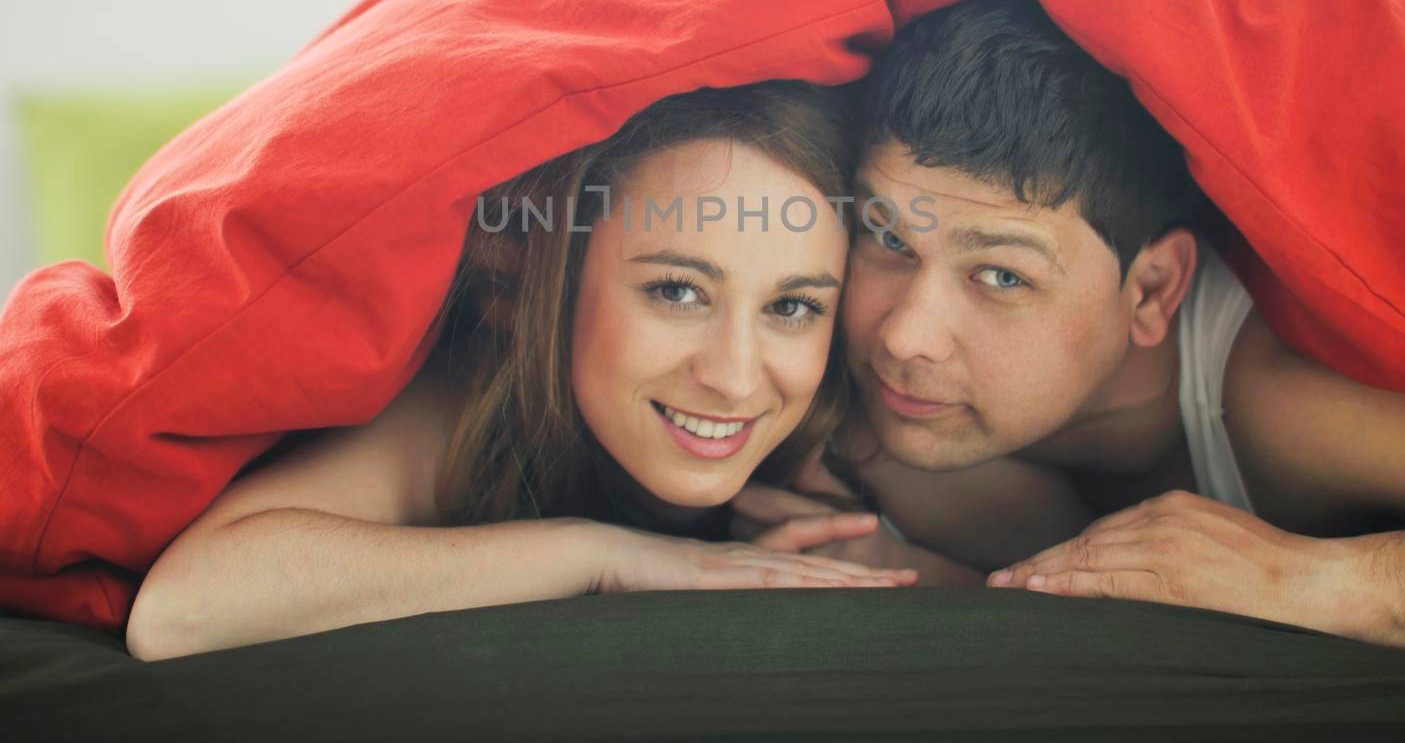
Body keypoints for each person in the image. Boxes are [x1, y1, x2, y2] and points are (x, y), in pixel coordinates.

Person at [734, 0, 1405, 664]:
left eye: (1002, 274)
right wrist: (930, 576)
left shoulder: (1287, 401)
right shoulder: (844, 409)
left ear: (1152, 292)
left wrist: (1305, 578)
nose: (903, 334)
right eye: (889, 236)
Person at [124, 80, 921, 662]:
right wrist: (601, 557)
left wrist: (879, 549)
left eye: (792, 307)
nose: (735, 377)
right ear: (559, 278)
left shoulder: (834, 419)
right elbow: (180, 611)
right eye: (676, 290)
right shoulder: (472, 403)